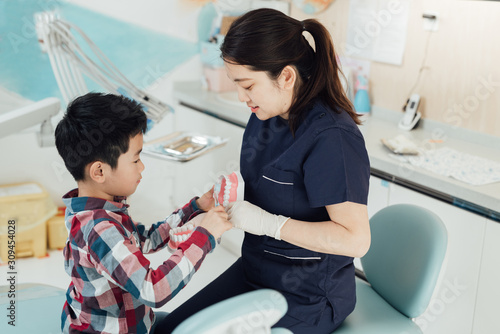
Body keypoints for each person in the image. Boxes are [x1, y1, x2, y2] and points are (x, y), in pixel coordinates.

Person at [155, 8, 371, 333]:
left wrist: (268, 224)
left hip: (308, 295)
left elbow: (356, 241)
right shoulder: (267, 114)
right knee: (169, 330)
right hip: (256, 270)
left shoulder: (332, 139)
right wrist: (222, 205)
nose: (241, 97)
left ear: (285, 76)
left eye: (247, 85)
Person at [54, 92, 232, 334]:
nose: (142, 167)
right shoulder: (100, 228)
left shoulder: (97, 209)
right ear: (99, 171)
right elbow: (153, 290)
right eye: (136, 160)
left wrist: (196, 207)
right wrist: (205, 236)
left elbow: (145, 239)